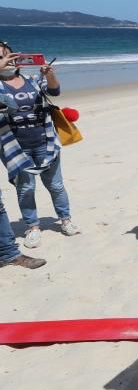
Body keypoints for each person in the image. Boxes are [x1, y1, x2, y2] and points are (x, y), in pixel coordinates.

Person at [0, 42, 81, 248]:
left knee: (55, 185)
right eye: (2, 59)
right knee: (25, 188)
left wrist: (49, 73)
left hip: (45, 140)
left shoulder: (32, 80)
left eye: (9, 57)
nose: (8, 62)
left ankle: (66, 220)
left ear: (17, 58)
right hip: (15, 146)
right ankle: (33, 227)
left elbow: (54, 91)